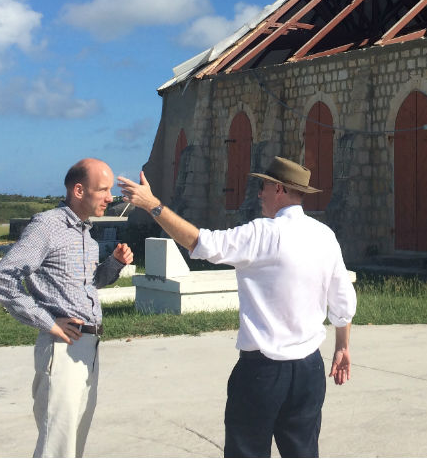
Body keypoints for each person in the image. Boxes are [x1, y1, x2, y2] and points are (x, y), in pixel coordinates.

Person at [119, 156, 356, 458]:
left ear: (279, 189)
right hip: (309, 370)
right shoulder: (325, 236)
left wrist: (153, 205)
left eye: (263, 187)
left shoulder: (262, 233)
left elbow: (199, 243)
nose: (259, 195)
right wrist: (342, 346)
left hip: (263, 371)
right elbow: (343, 301)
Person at [0, 158, 134, 458]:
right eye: (103, 190)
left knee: (74, 444)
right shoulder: (48, 226)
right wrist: (49, 323)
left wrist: (115, 264)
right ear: (78, 190)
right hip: (62, 345)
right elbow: (2, 279)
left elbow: (87, 285)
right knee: (58, 446)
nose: (111, 197)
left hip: (89, 348)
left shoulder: (85, 234)